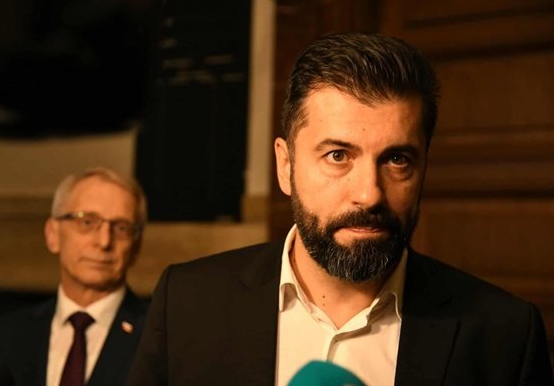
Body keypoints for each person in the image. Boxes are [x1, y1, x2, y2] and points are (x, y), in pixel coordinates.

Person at [127, 33, 553, 385]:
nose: (370, 195)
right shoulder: (186, 304)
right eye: (337, 156)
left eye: (397, 159)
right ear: (285, 165)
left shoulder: (504, 335)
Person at [0, 167, 149, 386]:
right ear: (52, 234)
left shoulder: (159, 340)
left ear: (136, 246)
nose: (104, 242)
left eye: (121, 228)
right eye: (87, 222)